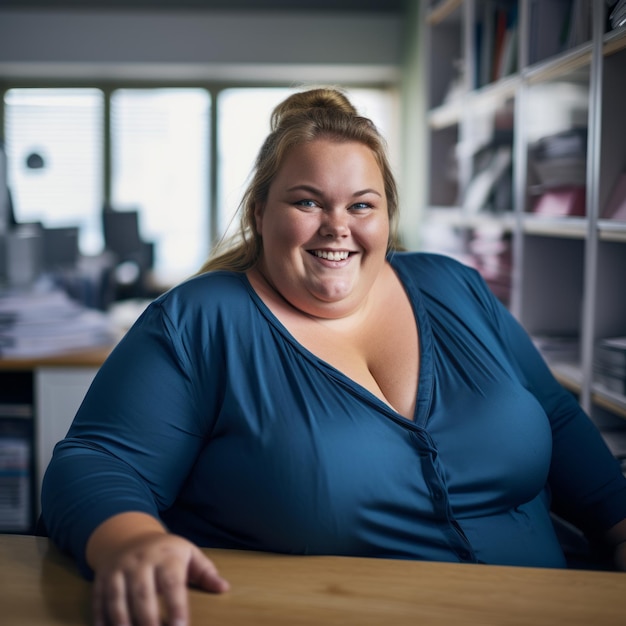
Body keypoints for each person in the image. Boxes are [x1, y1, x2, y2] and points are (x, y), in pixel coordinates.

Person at [42, 87, 626, 626]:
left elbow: (553, 414)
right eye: (308, 202)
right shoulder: (201, 319)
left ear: (387, 216)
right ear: (259, 214)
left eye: (362, 206)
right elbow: (96, 462)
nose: (337, 228)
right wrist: (130, 540)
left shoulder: (456, 287)